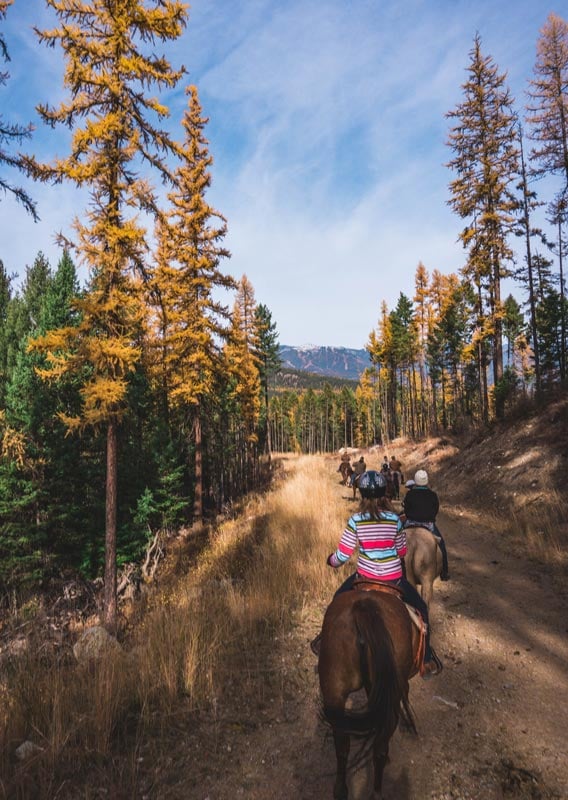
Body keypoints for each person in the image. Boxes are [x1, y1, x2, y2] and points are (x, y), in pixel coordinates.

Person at [310, 470, 442, 677]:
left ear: (362, 494)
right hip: (393, 579)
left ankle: (323, 642)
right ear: (384, 494)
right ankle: (425, 661)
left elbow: (342, 556)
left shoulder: (355, 521)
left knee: (335, 603)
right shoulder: (394, 520)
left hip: (363, 578)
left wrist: (331, 561)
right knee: (422, 611)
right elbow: (401, 551)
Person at [402, 469, 450, 581]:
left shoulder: (409, 494)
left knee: (397, 540)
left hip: (411, 523)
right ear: (426, 481)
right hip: (428, 525)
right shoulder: (433, 495)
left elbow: (406, 509)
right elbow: (435, 510)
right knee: (441, 544)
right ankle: (444, 571)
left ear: (416, 481)